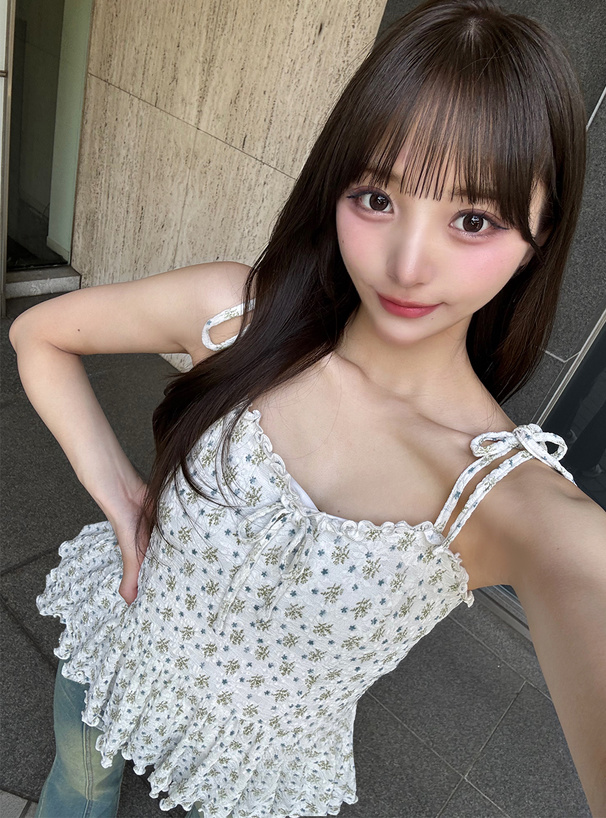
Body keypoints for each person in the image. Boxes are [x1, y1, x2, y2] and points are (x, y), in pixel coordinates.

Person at [9, 0, 606, 815]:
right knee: (76, 793)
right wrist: (122, 500)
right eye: (376, 198)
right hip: (117, 654)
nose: (407, 264)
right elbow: (39, 334)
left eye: (473, 219)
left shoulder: (507, 501)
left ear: (542, 232)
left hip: (254, 773)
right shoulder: (234, 315)